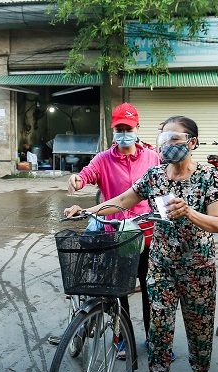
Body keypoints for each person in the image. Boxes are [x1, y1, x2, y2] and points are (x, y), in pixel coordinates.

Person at [64, 116, 218, 372]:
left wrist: (189, 212)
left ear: (192, 142)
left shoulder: (208, 176)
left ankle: (200, 371)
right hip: (161, 262)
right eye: (163, 139)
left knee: (199, 324)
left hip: (198, 265)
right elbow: (123, 200)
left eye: (174, 139)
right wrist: (87, 209)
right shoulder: (154, 176)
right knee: (160, 326)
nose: (167, 145)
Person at [66, 103, 160, 353]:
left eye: (128, 128)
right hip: (116, 236)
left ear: (137, 128)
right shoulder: (103, 159)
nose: (124, 133)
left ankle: (153, 339)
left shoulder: (153, 157)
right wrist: (77, 180)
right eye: (119, 128)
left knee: (150, 290)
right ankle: (121, 338)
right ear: (113, 131)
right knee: (119, 293)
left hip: (147, 235)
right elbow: (86, 174)